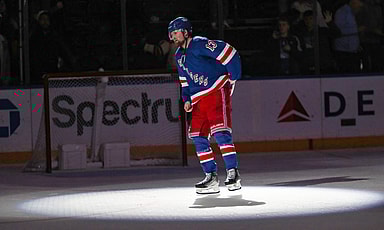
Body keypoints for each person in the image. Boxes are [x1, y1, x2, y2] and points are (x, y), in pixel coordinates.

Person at [168, 17, 241, 194]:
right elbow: (184, 81)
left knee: (220, 133)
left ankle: (233, 173)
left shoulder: (199, 44)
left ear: (185, 32)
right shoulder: (179, 56)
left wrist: (232, 78)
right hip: (197, 99)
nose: (173, 37)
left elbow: (230, 53)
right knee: (198, 136)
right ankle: (211, 177)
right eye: (171, 34)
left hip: (216, 90)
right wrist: (186, 99)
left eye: (175, 33)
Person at [333, 0, 363, 73]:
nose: (359, 7)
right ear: (352, 2)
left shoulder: (352, 13)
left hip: (353, 51)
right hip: (343, 51)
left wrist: (357, 44)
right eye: (358, 5)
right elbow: (337, 31)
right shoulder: (341, 12)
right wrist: (357, 29)